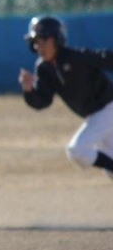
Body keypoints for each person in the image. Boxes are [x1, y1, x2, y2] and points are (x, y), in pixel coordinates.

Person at [19, 15, 113, 180]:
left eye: (44, 40)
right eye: (36, 42)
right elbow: (43, 101)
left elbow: (106, 59)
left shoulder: (75, 57)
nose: (40, 46)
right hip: (95, 116)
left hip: (108, 107)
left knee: (77, 149)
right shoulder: (44, 68)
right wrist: (29, 91)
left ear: (57, 39)